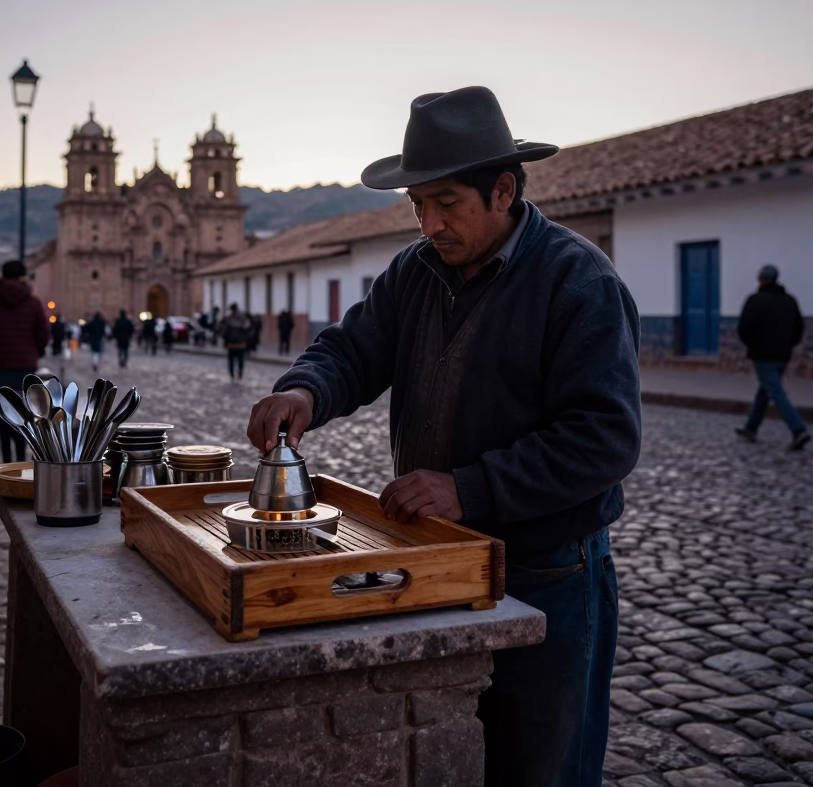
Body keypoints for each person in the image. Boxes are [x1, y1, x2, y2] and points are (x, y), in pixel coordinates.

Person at [246, 87, 641, 786]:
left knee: (542, 766)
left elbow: (604, 438)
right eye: (417, 205)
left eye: (446, 203)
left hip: (548, 574)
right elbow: (354, 349)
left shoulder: (577, 280)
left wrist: (468, 487)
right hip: (438, 562)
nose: (428, 224)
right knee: (450, 755)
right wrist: (303, 389)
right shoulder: (415, 271)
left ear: (504, 190)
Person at [0, 260, 49, 463]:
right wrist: (34, 352)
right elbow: (43, 333)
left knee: (2, 416)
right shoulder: (33, 303)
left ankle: (6, 463)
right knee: (23, 415)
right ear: (23, 277)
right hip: (24, 367)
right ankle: (21, 460)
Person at [736, 264, 810, 450]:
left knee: (775, 392)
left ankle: (798, 429)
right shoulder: (790, 301)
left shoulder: (755, 301)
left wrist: (753, 345)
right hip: (783, 354)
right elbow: (798, 328)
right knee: (766, 390)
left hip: (762, 355)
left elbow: (743, 329)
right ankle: (750, 428)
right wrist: (788, 344)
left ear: (760, 279)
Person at [221, 303, 254, 381]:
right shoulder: (242, 319)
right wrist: (247, 341)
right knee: (240, 361)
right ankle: (239, 375)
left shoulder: (228, 319)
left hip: (231, 345)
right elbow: (248, 330)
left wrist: (225, 341)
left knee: (231, 361)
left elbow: (224, 332)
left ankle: (232, 375)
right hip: (240, 344)